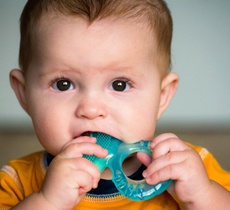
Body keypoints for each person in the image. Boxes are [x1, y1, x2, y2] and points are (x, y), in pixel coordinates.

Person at [0, 0, 230, 209]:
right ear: (24, 94)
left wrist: (202, 195)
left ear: (162, 96)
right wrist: (47, 202)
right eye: (63, 84)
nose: (91, 110)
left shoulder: (190, 168)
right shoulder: (17, 181)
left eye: (119, 85)